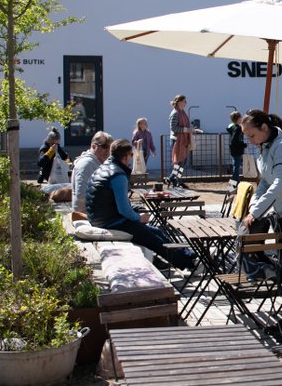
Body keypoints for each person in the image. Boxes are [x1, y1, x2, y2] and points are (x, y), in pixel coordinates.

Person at [239, 109, 282, 341]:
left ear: (264, 129)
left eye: (251, 135)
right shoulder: (266, 147)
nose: (250, 140)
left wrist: (257, 212)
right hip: (281, 214)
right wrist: (253, 208)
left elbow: (281, 183)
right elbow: (265, 183)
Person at [87, 139, 196, 271]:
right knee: (153, 240)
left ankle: (188, 255)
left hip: (99, 219)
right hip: (111, 222)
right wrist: (139, 218)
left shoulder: (104, 168)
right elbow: (123, 209)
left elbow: (113, 202)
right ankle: (188, 263)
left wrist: (136, 211)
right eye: (131, 156)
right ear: (126, 156)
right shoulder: (117, 175)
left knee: (156, 231)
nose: (131, 159)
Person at [70, 131, 113, 216]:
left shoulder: (98, 162)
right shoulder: (87, 164)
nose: (108, 151)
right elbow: (81, 195)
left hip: (96, 214)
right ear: (93, 146)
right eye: (104, 146)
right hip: (86, 216)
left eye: (110, 147)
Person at [168, 95, 192, 178]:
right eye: (184, 101)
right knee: (178, 162)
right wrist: (186, 130)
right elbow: (174, 128)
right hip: (177, 140)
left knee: (183, 161)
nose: (186, 103)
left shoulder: (182, 112)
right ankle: (171, 178)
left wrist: (189, 130)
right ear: (179, 102)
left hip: (182, 140)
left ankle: (177, 179)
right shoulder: (176, 113)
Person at [225, 110, 247, 185]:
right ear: (238, 118)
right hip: (237, 150)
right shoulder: (238, 128)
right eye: (241, 117)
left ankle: (236, 184)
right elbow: (235, 140)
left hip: (234, 150)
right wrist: (243, 145)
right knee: (236, 170)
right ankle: (231, 188)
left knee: (236, 168)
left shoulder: (233, 127)